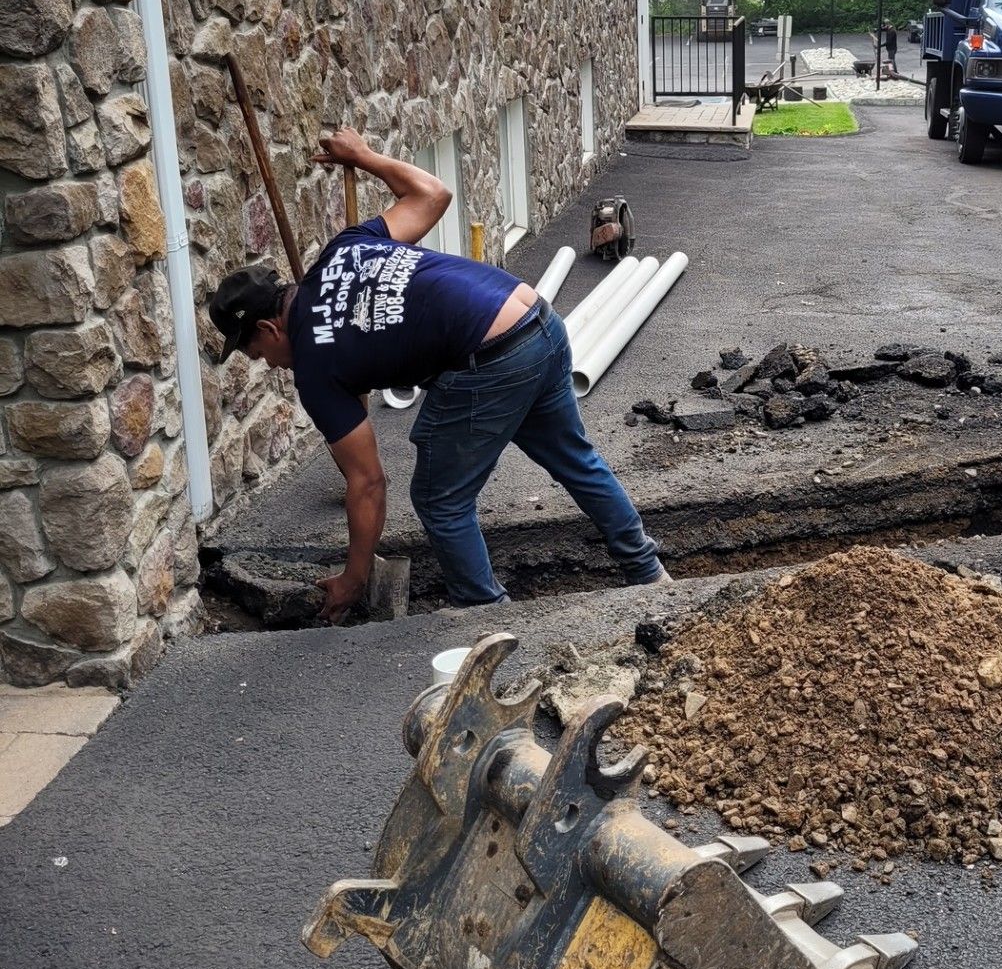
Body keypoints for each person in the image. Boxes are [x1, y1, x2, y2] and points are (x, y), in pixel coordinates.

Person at [208, 128, 668, 620]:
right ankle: (650, 575)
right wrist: (363, 157)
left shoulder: (315, 369)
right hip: (537, 319)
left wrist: (353, 578)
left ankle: (487, 616)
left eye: (255, 352)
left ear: (267, 328)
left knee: (440, 500)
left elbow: (367, 483)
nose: (265, 363)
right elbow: (433, 193)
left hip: (489, 356)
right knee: (575, 459)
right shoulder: (344, 250)